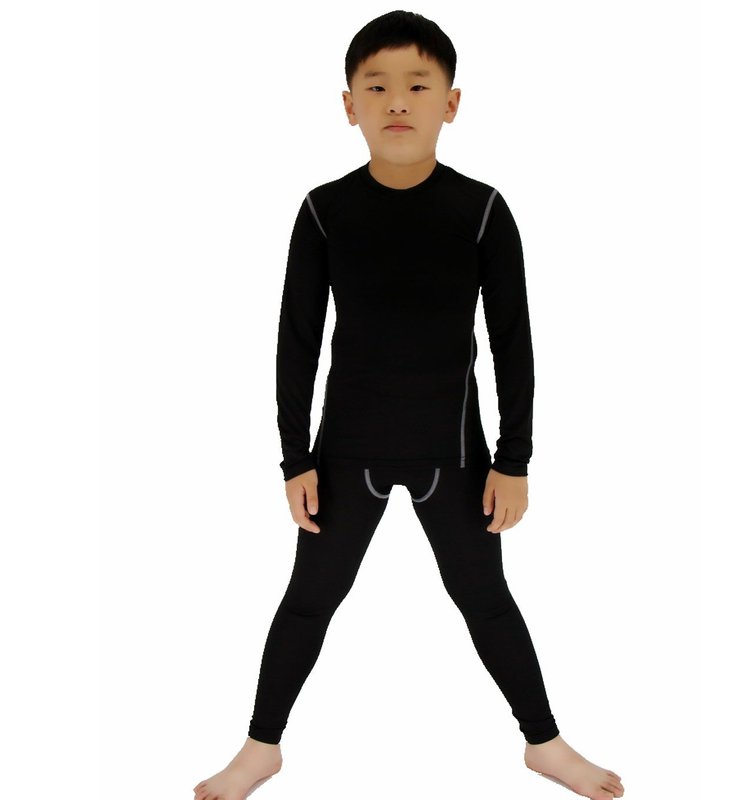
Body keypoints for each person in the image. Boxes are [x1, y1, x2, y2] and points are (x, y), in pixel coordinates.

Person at [194, 10, 624, 800]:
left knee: (485, 600)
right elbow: (296, 342)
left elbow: (513, 345)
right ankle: (260, 748)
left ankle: (544, 744)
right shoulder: (324, 210)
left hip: (452, 455)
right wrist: (295, 459)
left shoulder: (482, 210)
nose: (397, 101)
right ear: (348, 105)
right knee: (309, 601)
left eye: (418, 86)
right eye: (377, 86)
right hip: (345, 454)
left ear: (451, 104)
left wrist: (514, 462)